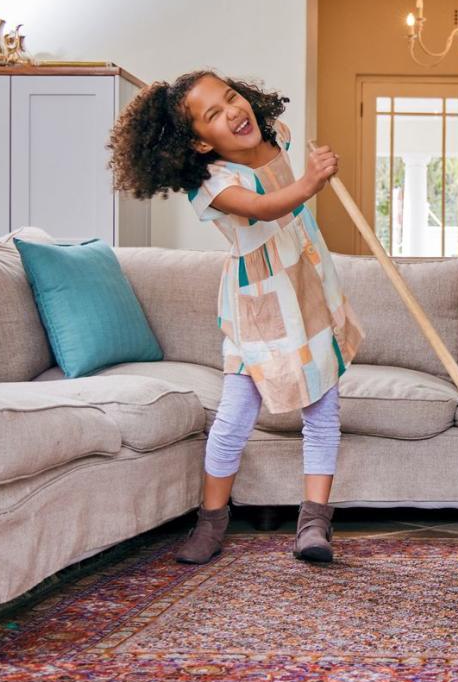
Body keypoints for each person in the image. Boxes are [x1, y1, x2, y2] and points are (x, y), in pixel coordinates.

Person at [108, 71, 364, 565]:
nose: (232, 110)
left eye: (230, 97)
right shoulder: (211, 185)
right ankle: (212, 520)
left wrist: (309, 169)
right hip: (260, 309)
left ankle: (314, 524)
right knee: (233, 419)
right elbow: (265, 208)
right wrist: (311, 181)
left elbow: (284, 181)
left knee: (323, 413)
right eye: (213, 115)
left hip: (310, 290)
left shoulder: (278, 139)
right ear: (200, 144)